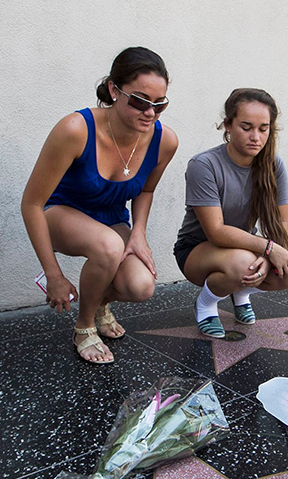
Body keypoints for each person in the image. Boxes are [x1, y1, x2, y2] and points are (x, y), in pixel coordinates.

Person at [21, 47, 179, 364]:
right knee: (108, 246)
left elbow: (145, 190)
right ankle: (84, 327)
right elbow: (32, 204)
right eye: (140, 101)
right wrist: (53, 274)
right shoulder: (75, 130)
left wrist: (139, 235)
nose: (150, 113)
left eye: (159, 104)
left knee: (141, 286)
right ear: (113, 90)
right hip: (61, 214)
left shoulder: (165, 141)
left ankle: (99, 302)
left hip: (111, 219)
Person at [174, 88, 288, 338]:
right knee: (243, 264)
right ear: (227, 125)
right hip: (197, 250)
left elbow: (282, 220)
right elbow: (216, 232)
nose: (256, 137)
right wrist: (268, 250)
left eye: (263, 129)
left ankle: (240, 292)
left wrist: (267, 257)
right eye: (246, 127)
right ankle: (207, 304)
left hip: (246, 248)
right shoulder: (204, 165)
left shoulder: (274, 164)